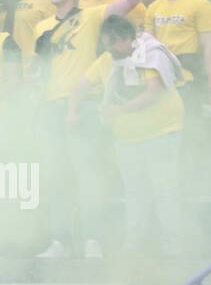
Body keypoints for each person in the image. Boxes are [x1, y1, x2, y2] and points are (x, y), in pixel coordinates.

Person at [31, 0, 139, 259]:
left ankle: (94, 240)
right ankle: (60, 242)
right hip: (51, 107)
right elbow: (40, 71)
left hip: (85, 105)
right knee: (57, 176)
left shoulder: (92, 15)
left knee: (88, 174)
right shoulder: (42, 28)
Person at [69, 15, 184, 258]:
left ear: (126, 39)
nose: (109, 50)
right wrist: (72, 112)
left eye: (113, 44)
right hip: (128, 138)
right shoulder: (106, 60)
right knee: (134, 192)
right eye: (106, 44)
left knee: (164, 190)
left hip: (162, 133)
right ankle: (133, 247)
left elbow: (153, 93)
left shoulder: (150, 54)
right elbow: (81, 86)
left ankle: (172, 247)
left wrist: (118, 110)